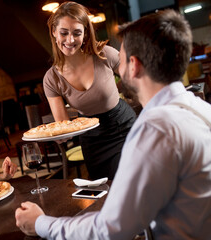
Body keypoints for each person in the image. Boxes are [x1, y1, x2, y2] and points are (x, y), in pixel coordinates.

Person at [15, 9, 211, 239]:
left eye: (123, 55)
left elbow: (111, 227)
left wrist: (41, 223)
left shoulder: (152, 130)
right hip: (94, 139)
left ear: (133, 65)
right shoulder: (201, 109)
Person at [43, 1, 136, 180]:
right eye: (64, 33)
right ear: (54, 32)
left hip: (123, 128)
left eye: (77, 33)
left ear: (85, 33)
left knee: (128, 184)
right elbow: (64, 126)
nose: (70, 40)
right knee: (104, 193)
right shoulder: (51, 79)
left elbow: (138, 77)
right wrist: (59, 136)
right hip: (92, 140)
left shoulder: (105, 55)